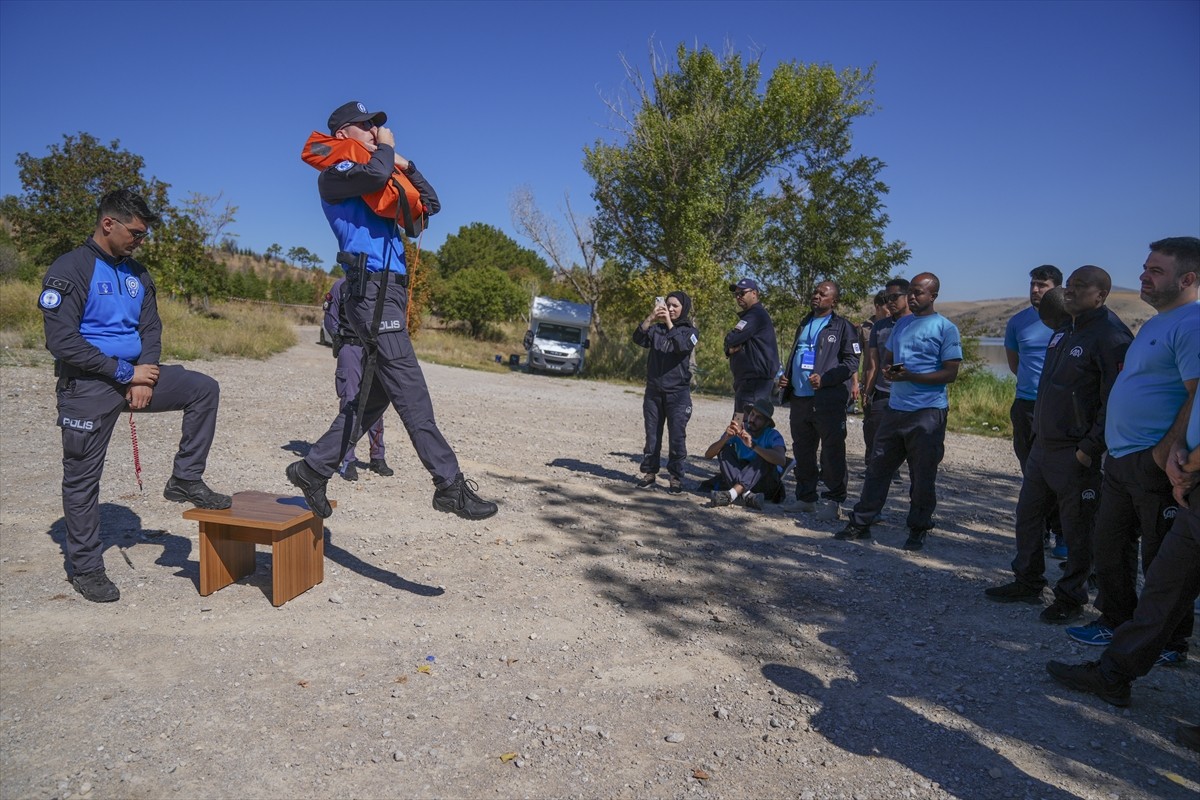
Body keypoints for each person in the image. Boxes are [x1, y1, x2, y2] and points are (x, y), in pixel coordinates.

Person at [287, 100, 496, 521]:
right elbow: (377, 172)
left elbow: (431, 206)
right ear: (343, 132)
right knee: (409, 386)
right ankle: (449, 485)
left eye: (376, 126)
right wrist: (386, 151)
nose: (374, 131)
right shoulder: (335, 176)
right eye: (365, 126)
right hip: (371, 291)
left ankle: (312, 468)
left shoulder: (377, 173)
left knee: (374, 397)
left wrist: (409, 162)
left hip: (391, 292)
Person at [39, 189, 232, 603]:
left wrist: (143, 378)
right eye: (136, 233)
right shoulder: (70, 268)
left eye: (143, 235)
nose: (140, 241)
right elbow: (62, 341)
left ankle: (185, 478)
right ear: (108, 224)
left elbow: (151, 329)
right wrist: (125, 372)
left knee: (203, 389)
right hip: (87, 386)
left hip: (136, 377)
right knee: (81, 481)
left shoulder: (138, 274)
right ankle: (87, 568)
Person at [1065, 237, 1199, 658]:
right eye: (1145, 268)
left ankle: (1170, 642)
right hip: (1122, 458)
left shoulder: (1192, 323)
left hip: (1156, 461)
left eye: (1155, 270)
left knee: (1161, 560)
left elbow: (1196, 393)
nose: (1143, 275)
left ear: (1189, 278)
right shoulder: (1156, 321)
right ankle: (1115, 622)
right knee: (1110, 545)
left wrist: (1169, 449)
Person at [1046, 390, 1199, 753]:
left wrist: (1188, 464)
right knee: (1164, 584)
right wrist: (1180, 448)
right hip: (1193, 482)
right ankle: (1114, 673)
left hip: (1193, 472)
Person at [983, 266, 1133, 623]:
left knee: (1077, 527)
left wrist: (1090, 447)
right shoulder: (1064, 330)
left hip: (1075, 452)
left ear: (1101, 295)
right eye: (1071, 286)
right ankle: (1027, 580)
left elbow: (1115, 399)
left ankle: (1070, 597)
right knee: (1028, 515)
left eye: (1082, 287)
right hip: (1043, 447)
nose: (1072, 291)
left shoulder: (1111, 336)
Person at [836, 273, 962, 551]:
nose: (914, 297)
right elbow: (889, 360)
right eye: (912, 293)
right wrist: (890, 372)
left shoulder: (945, 328)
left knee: (922, 474)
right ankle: (861, 521)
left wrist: (912, 376)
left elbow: (950, 373)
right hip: (896, 409)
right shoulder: (901, 326)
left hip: (928, 412)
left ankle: (918, 527)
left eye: (920, 293)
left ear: (933, 296)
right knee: (878, 468)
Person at [778, 280, 860, 511]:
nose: (816, 296)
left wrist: (826, 378)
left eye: (822, 294)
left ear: (833, 301)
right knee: (803, 449)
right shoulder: (804, 323)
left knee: (832, 450)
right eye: (815, 292)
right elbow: (798, 354)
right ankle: (806, 498)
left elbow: (852, 362)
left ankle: (834, 501)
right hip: (800, 397)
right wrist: (787, 378)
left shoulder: (843, 327)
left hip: (827, 399)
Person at [1005, 265, 1065, 557]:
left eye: (1042, 285)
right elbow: (1015, 365)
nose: (1035, 290)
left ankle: (1062, 532)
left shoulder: (1069, 321)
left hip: (1060, 408)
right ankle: (1038, 530)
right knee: (1030, 469)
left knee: (1059, 472)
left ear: (1057, 288)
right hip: (1027, 405)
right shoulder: (1018, 322)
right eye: (1032, 284)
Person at [323, 277, 392, 482]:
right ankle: (348, 460)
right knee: (350, 402)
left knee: (375, 403)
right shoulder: (341, 285)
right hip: (350, 347)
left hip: (374, 350)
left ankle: (377, 457)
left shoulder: (381, 285)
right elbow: (330, 318)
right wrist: (339, 340)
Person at [633, 291, 698, 494]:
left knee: (677, 437)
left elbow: (682, 347)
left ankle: (676, 478)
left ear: (683, 308)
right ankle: (649, 473)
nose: (670, 309)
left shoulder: (691, 331)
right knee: (652, 436)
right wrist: (652, 318)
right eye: (667, 305)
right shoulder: (657, 330)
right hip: (654, 392)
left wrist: (670, 323)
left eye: (675, 306)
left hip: (678, 394)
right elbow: (638, 337)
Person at [702, 399, 787, 510]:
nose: (752, 419)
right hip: (745, 479)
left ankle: (731, 494)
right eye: (752, 414)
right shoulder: (740, 430)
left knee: (765, 457)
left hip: (766, 483)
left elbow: (782, 460)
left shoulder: (772, 435)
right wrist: (725, 438)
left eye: (758, 418)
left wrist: (753, 446)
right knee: (725, 450)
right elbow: (708, 455)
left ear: (767, 423)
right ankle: (747, 495)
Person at [861, 278, 910, 466]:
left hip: (909, 392)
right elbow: (873, 363)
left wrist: (896, 369)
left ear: (908, 296)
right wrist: (867, 391)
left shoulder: (916, 324)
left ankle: (896, 468)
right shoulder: (879, 327)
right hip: (883, 392)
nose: (890, 301)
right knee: (875, 435)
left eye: (895, 297)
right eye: (887, 297)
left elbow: (914, 361)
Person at [723, 278, 779, 414]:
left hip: (754, 384)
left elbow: (732, 338)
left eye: (742, 293)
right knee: (738, 425)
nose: (738, 297)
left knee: (747, 427)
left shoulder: (756, 315)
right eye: (736, 294)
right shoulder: (750, 316)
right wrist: (730, 348)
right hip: (747, 382)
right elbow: (731, 342)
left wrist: (731, 344)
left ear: (754, 293)